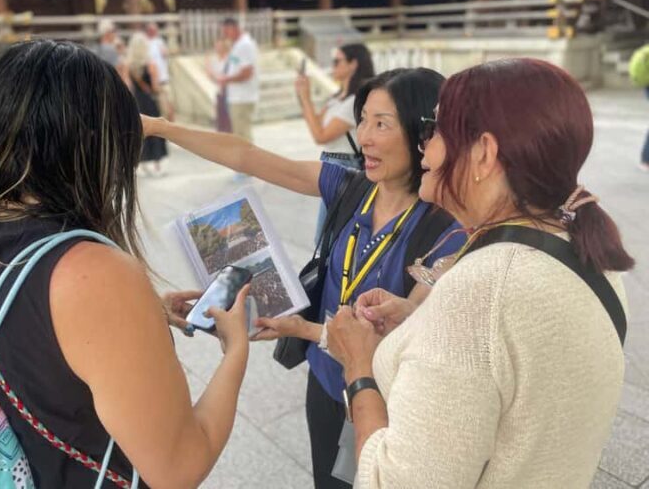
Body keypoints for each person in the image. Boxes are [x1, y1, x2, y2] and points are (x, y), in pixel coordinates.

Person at [0, 40, 251, 488]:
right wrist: (235, 351)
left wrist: (136, 315)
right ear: (90, 146)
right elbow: (179, 467)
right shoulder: (95, 271)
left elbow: (29, 333)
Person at [142, 67, 466, 489]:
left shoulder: (446, 227)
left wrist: (302, 329)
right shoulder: (350, 187)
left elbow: (411, 328)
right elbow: (247, 156)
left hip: (385, 397)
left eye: (381, 124)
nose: (364, 136)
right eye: (363, 118)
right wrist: (160, 127)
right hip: (326, 384)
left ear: (424, 132)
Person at [327, 58, 633, 489]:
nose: (424, 148)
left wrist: (358, 368)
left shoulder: (481, 292)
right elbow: (510, 373)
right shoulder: (583, 245)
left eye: (435, 131)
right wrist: (420, 326)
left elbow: (390, 482)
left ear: (484, 154)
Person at [296, 44, 375, 241]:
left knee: (325, 239)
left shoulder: (355, 101)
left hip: (344, 165)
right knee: (326, 237)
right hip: (330, 161)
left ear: (353, 64)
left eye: (337, 61)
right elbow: (316, 123)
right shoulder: (337, 98)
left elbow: (320, 136)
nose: (333, 66)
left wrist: (305, 98)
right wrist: (303, 96)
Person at [126, 32, 169, 176]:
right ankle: (157, 164)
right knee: (155, 129)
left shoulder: (129, 65)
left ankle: (141, 164)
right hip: (150, 101)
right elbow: (155, 87)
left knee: (139, 131)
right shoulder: (151, 64)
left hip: (137, 102)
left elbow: (129, 87)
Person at [216, 17, 259, 144]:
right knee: (239, 135)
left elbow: (247, 73)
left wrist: (226, 79)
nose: (225, 35)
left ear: (233, 29)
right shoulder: (237, 45)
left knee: (243, 137)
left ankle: (250, 163)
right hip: (236, 96)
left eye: (226, 32)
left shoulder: (245, 45)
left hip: (243, 97)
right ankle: (245, 162)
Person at [145, 22, 175, 121]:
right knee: (162, 110)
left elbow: (166, 53)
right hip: (154, 82)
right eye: (152, 30)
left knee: (170, 106)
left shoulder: (159, 42)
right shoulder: (146, 44)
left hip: (164, 79)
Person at [207, 38, 232, 133]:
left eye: (219, 46)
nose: (217, 48)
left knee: (229, 118)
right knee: (220, 117)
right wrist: (208, 64)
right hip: (219, 90)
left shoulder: (230, 59)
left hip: (229, 91)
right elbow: (210, 75)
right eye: (216, 46)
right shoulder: (214, 60)